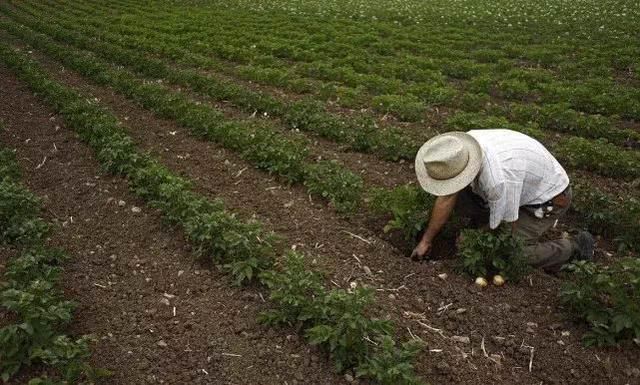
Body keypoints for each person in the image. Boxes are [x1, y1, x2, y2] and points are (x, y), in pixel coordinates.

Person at [411, 129, 594, 272]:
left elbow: (506, 230)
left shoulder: (498, 180)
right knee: (460, 201)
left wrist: (480, 244)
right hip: (520, 183)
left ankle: (574, 247)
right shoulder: (459, 149)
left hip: (548, 198)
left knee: (512, 253)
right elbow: (447, 197)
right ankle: (480, 223)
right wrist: (426, 240)